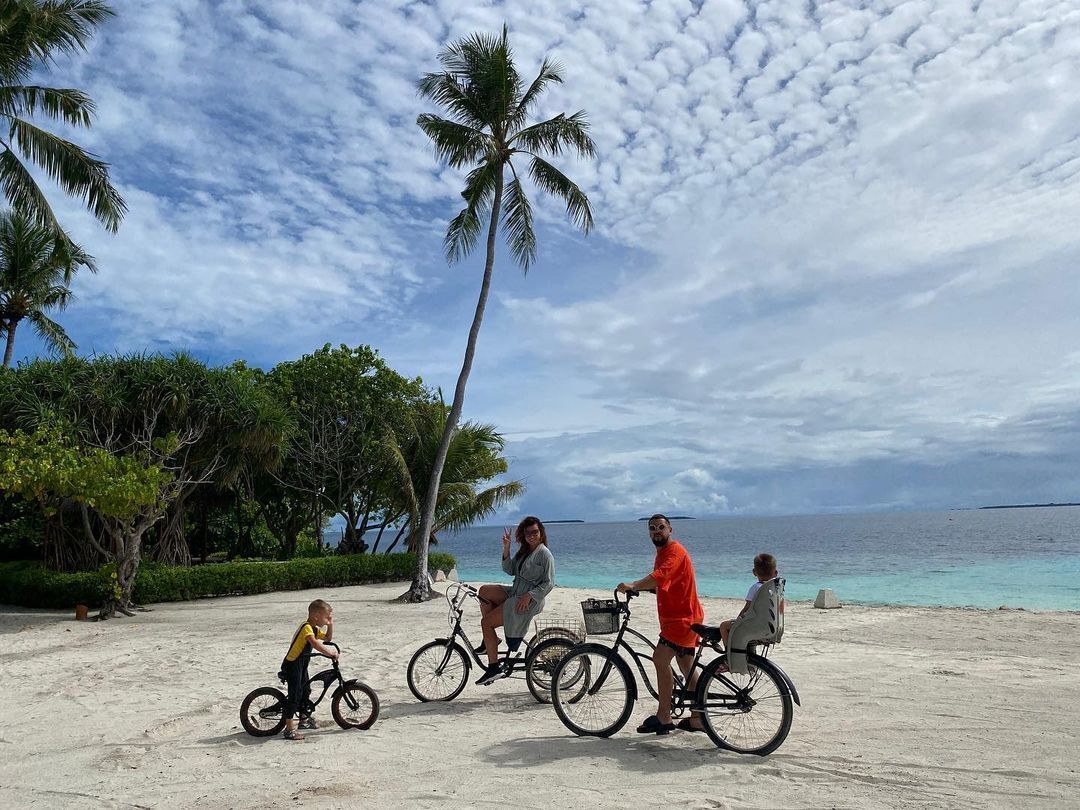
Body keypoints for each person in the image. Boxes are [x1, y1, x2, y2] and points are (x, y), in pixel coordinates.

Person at [617, 514, 704, 734]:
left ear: (670, 529)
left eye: (661, 527)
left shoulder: (674, 551)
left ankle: (664, 716)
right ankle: (698, 718)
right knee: (687, 665)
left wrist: (634, 585)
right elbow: (665, 583)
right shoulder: (663, 552)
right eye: (652, 528)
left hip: (682, 619)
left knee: (659, 659)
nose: (656, 531)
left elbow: (660, 576)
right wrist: (644, 588)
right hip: (682, 617)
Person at [475, 516, 555, 685]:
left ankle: (493, 667)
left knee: (486, 623)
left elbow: (549, 583)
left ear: (541, 532)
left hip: (527, 599)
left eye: (535, 532)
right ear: (523, 535)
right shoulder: (525, 551)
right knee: (484, 591)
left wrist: (530, 595)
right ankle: (492, 640)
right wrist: (506, 548)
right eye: (528, 533)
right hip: (516, 591)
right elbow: (509, 570)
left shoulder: (545, 554)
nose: (531, 536)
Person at [280, 598, 338, 741]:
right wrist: (330, 653)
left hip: (301, 664)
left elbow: (328, 638)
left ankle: (303, 721)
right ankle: (288, 729)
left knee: (305, 690)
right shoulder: (306, 628)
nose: (326, 620)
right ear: (316, 616)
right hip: (293, 664)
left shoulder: (314, 628)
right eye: (325, 618)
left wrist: (330, 624)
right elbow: (315, 643)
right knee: (295, 694)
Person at [719, 552, 783, 651]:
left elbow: (747, 608)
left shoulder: (756, 587)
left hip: (754, 626)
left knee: (724, 626)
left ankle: (729, 654)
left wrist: (738, 620)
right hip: (771, 626)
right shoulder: (776, 589)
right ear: (776, 573)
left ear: (754, 572)